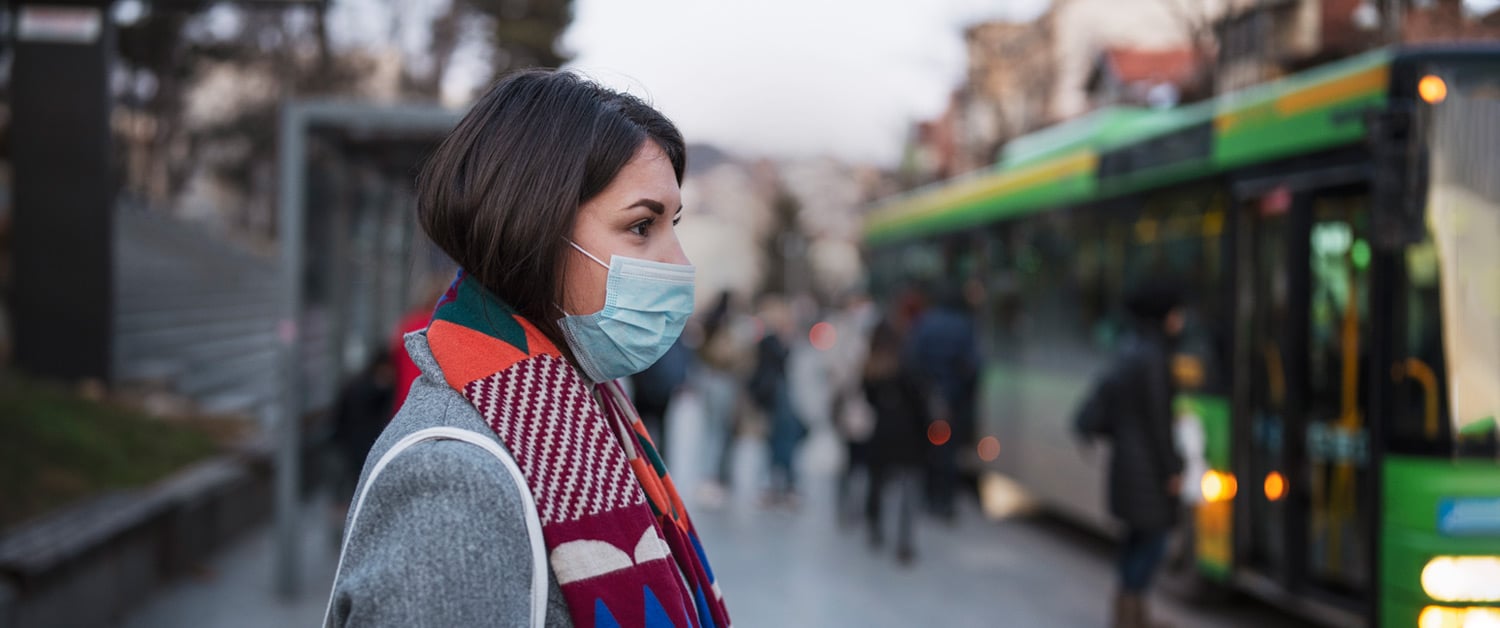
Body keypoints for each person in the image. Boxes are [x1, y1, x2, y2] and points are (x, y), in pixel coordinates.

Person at [324, 70, 730, 628]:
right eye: (641, 226)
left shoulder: (588, 407)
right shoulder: (453, 483)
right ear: (535, 230)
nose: (680, 264)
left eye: (672, 225)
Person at [1074, 281, 1186, 628]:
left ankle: (1130, 612)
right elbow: (1158, 421)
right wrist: (1172, 469)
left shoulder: (1129, 349)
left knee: (1136, 540)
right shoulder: (1153, 356)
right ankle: (1131, 614)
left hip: (1127, 464)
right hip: (1147, 471)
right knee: (1152, 543)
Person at [903, 281, 983, 521]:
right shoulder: (963, 326)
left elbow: (911, 361)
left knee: (929, 450)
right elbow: (973, 366)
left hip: (926, 399)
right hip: (953, 400)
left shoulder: (925, 323)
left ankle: (930, 498)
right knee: (948, 453)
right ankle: (945, 501)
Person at [861, 318, 930, 566]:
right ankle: (904, 541)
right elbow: (920, 400)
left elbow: (868, 397)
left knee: (878, 483)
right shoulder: (906, 364)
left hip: (881, 434)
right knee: (909, 488)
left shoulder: (872, 365)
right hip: (908, 436)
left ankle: (876, 528)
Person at [748, 294, 805, 508]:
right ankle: (782, 485)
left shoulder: (772, 340)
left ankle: (778, 485)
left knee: (779, 441)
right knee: (781, 442)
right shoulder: (771, 341)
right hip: (777, 398)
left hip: (777, 398)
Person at [629, 335, 692, 461]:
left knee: (647, 433)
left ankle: (652, 465)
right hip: (649, 388)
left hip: (657, 390)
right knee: (640, 432)